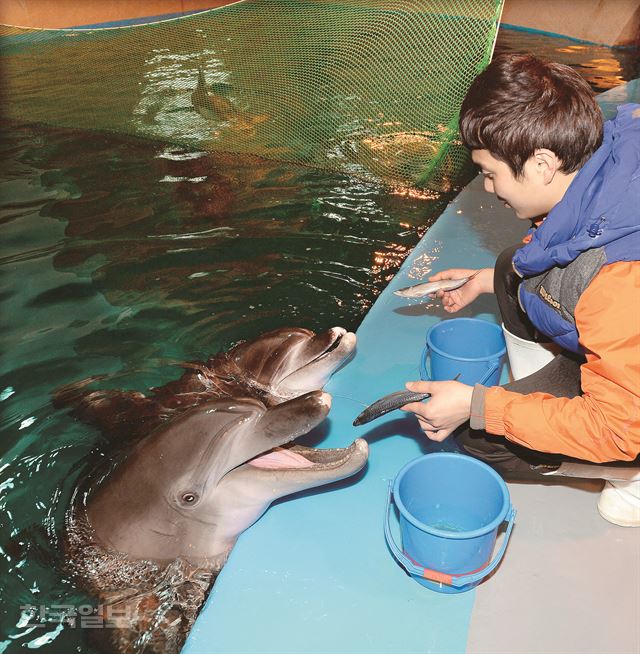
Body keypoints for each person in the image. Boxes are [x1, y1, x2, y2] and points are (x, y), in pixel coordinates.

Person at [401, 53, 640, 526]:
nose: (487, 188)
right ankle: (545, 392)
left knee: (477, 436)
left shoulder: (619, 281)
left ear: (544, 163)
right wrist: (489, 279)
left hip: (627, 420)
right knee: (512, 266)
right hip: (622, 349)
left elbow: (620, 428)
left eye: (490, 173)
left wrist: (481, 406)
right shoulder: (606, 162)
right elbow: (558, 250)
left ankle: (632, 482)